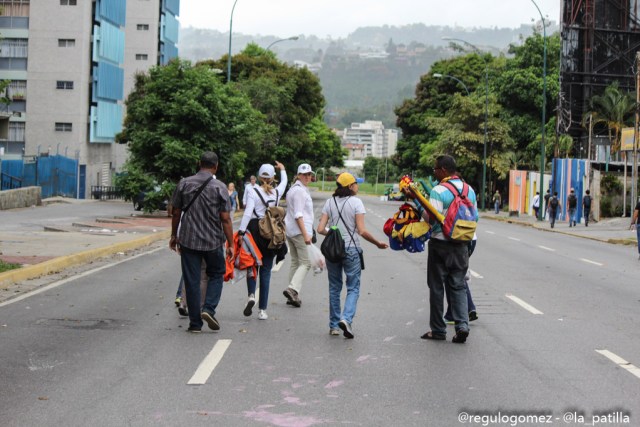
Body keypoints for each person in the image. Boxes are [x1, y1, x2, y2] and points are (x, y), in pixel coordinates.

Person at [317, 173, 388, 338]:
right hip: (351, 249)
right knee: (353, 287)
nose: (358, 186)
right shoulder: (356, 202)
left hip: (333, 251)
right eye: (356, 184)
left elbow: (320, 229)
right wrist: (377, 243)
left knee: (334, 287)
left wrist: (334, 235)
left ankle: (334, 326)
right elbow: (362, 231)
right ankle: (346, 319)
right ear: (350, 186)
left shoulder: (330, 202)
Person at [170, 151, 234, 333]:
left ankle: (195, 324)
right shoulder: (220, 187)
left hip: (188, 240)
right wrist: (231, 243)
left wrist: (174, 236)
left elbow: (176, 212)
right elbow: (225, 218)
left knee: (192, 280)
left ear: (199, 164)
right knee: (217, 273)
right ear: (216, 166)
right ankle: (209, 308)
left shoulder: (184, 183)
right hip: (213, 241)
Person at [420, 155, 478, 344]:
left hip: (440, 243)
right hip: (461, 244)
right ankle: (462, 325)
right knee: (458, 285)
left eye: (435, 169)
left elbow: (432, 219)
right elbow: (473, 218)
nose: (434, 173)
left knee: (437, 287)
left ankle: (438, 330)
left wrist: (420, 209)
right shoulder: (470, 190)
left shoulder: (438, 190)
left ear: (443, 170)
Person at [237, 161, 287, 320]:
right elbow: (285, 182)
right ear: (273, 178)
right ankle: (262, 310)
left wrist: (241, 231)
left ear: (258, 177)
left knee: (251, 266)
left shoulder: (252, 191)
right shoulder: (277, 193)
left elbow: (247, 213)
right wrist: (283, 170)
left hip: (254, 232)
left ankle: (251, 294)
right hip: (270, 235)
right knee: (266, 272)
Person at [283, 163, 315, 308]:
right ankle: (292, 289)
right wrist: (306, 234)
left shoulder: (293, 189)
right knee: (306, 262)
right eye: (305, 174)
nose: (308, 177)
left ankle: (292, 296)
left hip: (291, 231)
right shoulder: (300, 192)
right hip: (299, 231)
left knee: (296, 262)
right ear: (298, 175)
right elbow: (298, 214)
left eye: (309, 174)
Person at [444, 236, 478, 324]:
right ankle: (470, 308)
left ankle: (452, 315)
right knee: (457, 274)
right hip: (470, 238)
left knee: (452, 275)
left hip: (456, 238)